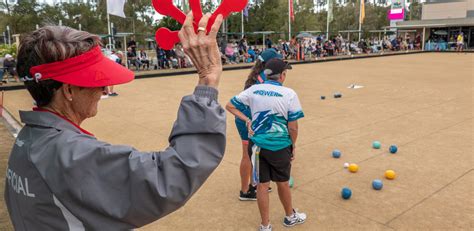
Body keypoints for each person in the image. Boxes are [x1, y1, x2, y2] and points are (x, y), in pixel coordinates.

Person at [5, 13, 226, 230]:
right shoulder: (68, 153)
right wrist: (207, 80)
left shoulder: (27, 139)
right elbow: (167, 178)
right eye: (96, 81)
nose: (103, 89)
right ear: (69, 89)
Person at [226, 59, 306, 231]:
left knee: (262, 185)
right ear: (282, 76)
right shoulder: (289, 94)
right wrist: (292, 146)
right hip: (279, 146)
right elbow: (293, 127)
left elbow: (230, 105)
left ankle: (265, 225)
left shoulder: (253, 89)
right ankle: (290, 217)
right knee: (283, 183)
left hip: (256, 147)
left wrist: (247, 119)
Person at [226, 49, 283, 201]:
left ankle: (254, 184)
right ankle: (245, 191)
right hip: (247, 120)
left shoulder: (258, 74)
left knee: (253, 153)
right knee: (247, 154)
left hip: (250, 118)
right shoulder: (265, 78)